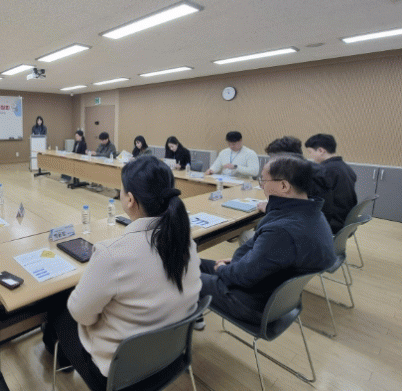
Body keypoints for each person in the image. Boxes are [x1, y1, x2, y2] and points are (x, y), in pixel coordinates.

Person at [43, 156, 202, 389]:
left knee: (58, 303)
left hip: (118, 376)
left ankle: (62, 360)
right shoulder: (186, 242)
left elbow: (80, 314)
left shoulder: (111, 255)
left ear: (130, 199)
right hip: (171, 360)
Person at [197, 154, 336, 327]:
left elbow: (243, 276)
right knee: (190, 263)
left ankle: (186, 323)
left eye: (263, 180)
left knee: (183, 275)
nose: (261, 185)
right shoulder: (312, 213)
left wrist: (225, 270)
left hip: (249, 301)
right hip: (269, 290)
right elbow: (267, 260)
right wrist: (238, 263)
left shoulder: (282, 231)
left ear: (284, 186)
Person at [305, 134, 358, 234]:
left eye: (310, 152)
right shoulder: (346, 168)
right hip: (346, 221)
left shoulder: (323, 171)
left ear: (321, 151)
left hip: (332, 223)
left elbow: (315, 199)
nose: (310, 156)